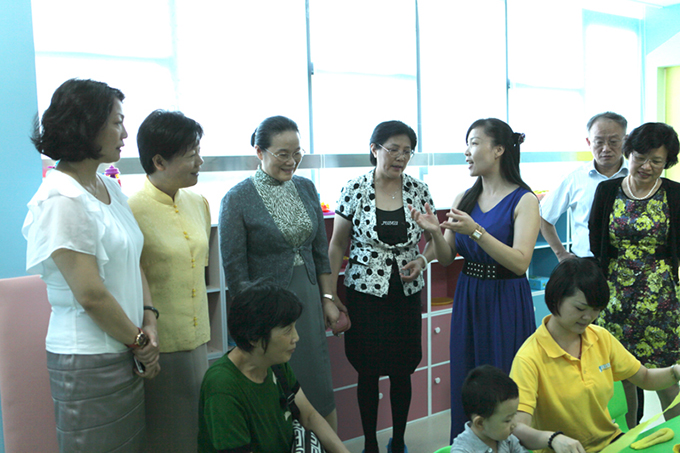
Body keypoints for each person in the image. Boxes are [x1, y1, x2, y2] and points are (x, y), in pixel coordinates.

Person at [23, 78, 160, 452]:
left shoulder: (108, 187)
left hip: (126, 348)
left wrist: (149, 320)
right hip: (87, 358)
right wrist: (139, 341)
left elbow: (133, 258)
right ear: (87, 126)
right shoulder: (61, 198)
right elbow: (90, 295)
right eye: (117, 122)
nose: (125, 133)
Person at [410, 118, 539, 441]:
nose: (466, 152)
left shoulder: (525, 200)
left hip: (506, 299)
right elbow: (445, 257)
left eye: (474, 143)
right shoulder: (463, 198)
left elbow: (520, 262)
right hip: (469, 296)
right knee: (468, 378)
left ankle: (509, 445)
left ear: (498, 150)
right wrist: (433, 232)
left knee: (503, 380)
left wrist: (477, 232)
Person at [219, 115, 342, 429]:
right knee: (279, 388)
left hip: (308, 300)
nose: (292, 162)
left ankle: (324, 444)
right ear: (260, 152)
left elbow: (320, 252)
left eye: (297, 153)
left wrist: (328, 298)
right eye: (283, 154)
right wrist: (253, 327)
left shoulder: (306, 188)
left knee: (317, 379)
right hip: (267, 312)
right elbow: (235, 272)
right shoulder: (237, 198)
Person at [329, 120, 435, 453]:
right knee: (367, 372)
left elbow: (435, 240)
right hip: (365, 296)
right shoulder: (354, 188)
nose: (401, 157)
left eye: (407, 151)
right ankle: (370, 445)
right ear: (374, 149)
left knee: (403, 372)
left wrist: (423, 260)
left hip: (405, 295)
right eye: (393, 149)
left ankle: (399, 441)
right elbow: (337, 245)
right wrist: (329, 295)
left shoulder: (419, 190)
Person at [510, 257, 680, 453]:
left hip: (611, 443)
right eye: (580, 308)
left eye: (596, 310)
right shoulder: (529, 358)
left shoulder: (600, 337)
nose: (588, 317)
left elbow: (645, 377)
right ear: (556, 299)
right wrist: (553, 439)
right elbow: (517, 428)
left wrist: (675, 372)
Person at [128, 110, 210, 451]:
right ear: (159, 161)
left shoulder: (199, 203)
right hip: (160, 343)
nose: (200, 162)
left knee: (201, 431)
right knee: (168, 436)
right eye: (191, 155)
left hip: (200, 339)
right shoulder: (131, 209)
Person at [589, 122, 680, 425]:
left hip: (661, 300)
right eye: (640, 158)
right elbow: (596, 239)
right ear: (628, 153)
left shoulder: (674, 194)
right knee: (621, 375)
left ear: (667, 162)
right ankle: (627, 436)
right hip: (615, 296)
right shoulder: (607, 191)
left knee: (666, 375)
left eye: (657, 161)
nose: (647, 166)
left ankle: (676, 438)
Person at [198, 281, 350, 453]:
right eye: (287, 330)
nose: (296, 337)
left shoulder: (275, 364)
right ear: (254, 337)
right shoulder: (222, 387)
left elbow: (309, 416)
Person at [540, 112, 628, 261]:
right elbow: (543, 217)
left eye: (613, 142)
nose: (606, 148)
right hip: (587, 263)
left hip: (629, 264)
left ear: (625, 141)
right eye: (599, 142)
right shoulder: (574, 178)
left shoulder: (637, 176)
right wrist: (561, 254)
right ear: (589, 142)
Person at [451, 365, 528, 453]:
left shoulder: (508, 440)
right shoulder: (462, 450)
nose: (514, 424)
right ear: (480, 423)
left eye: (514, 415)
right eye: (508, 420)